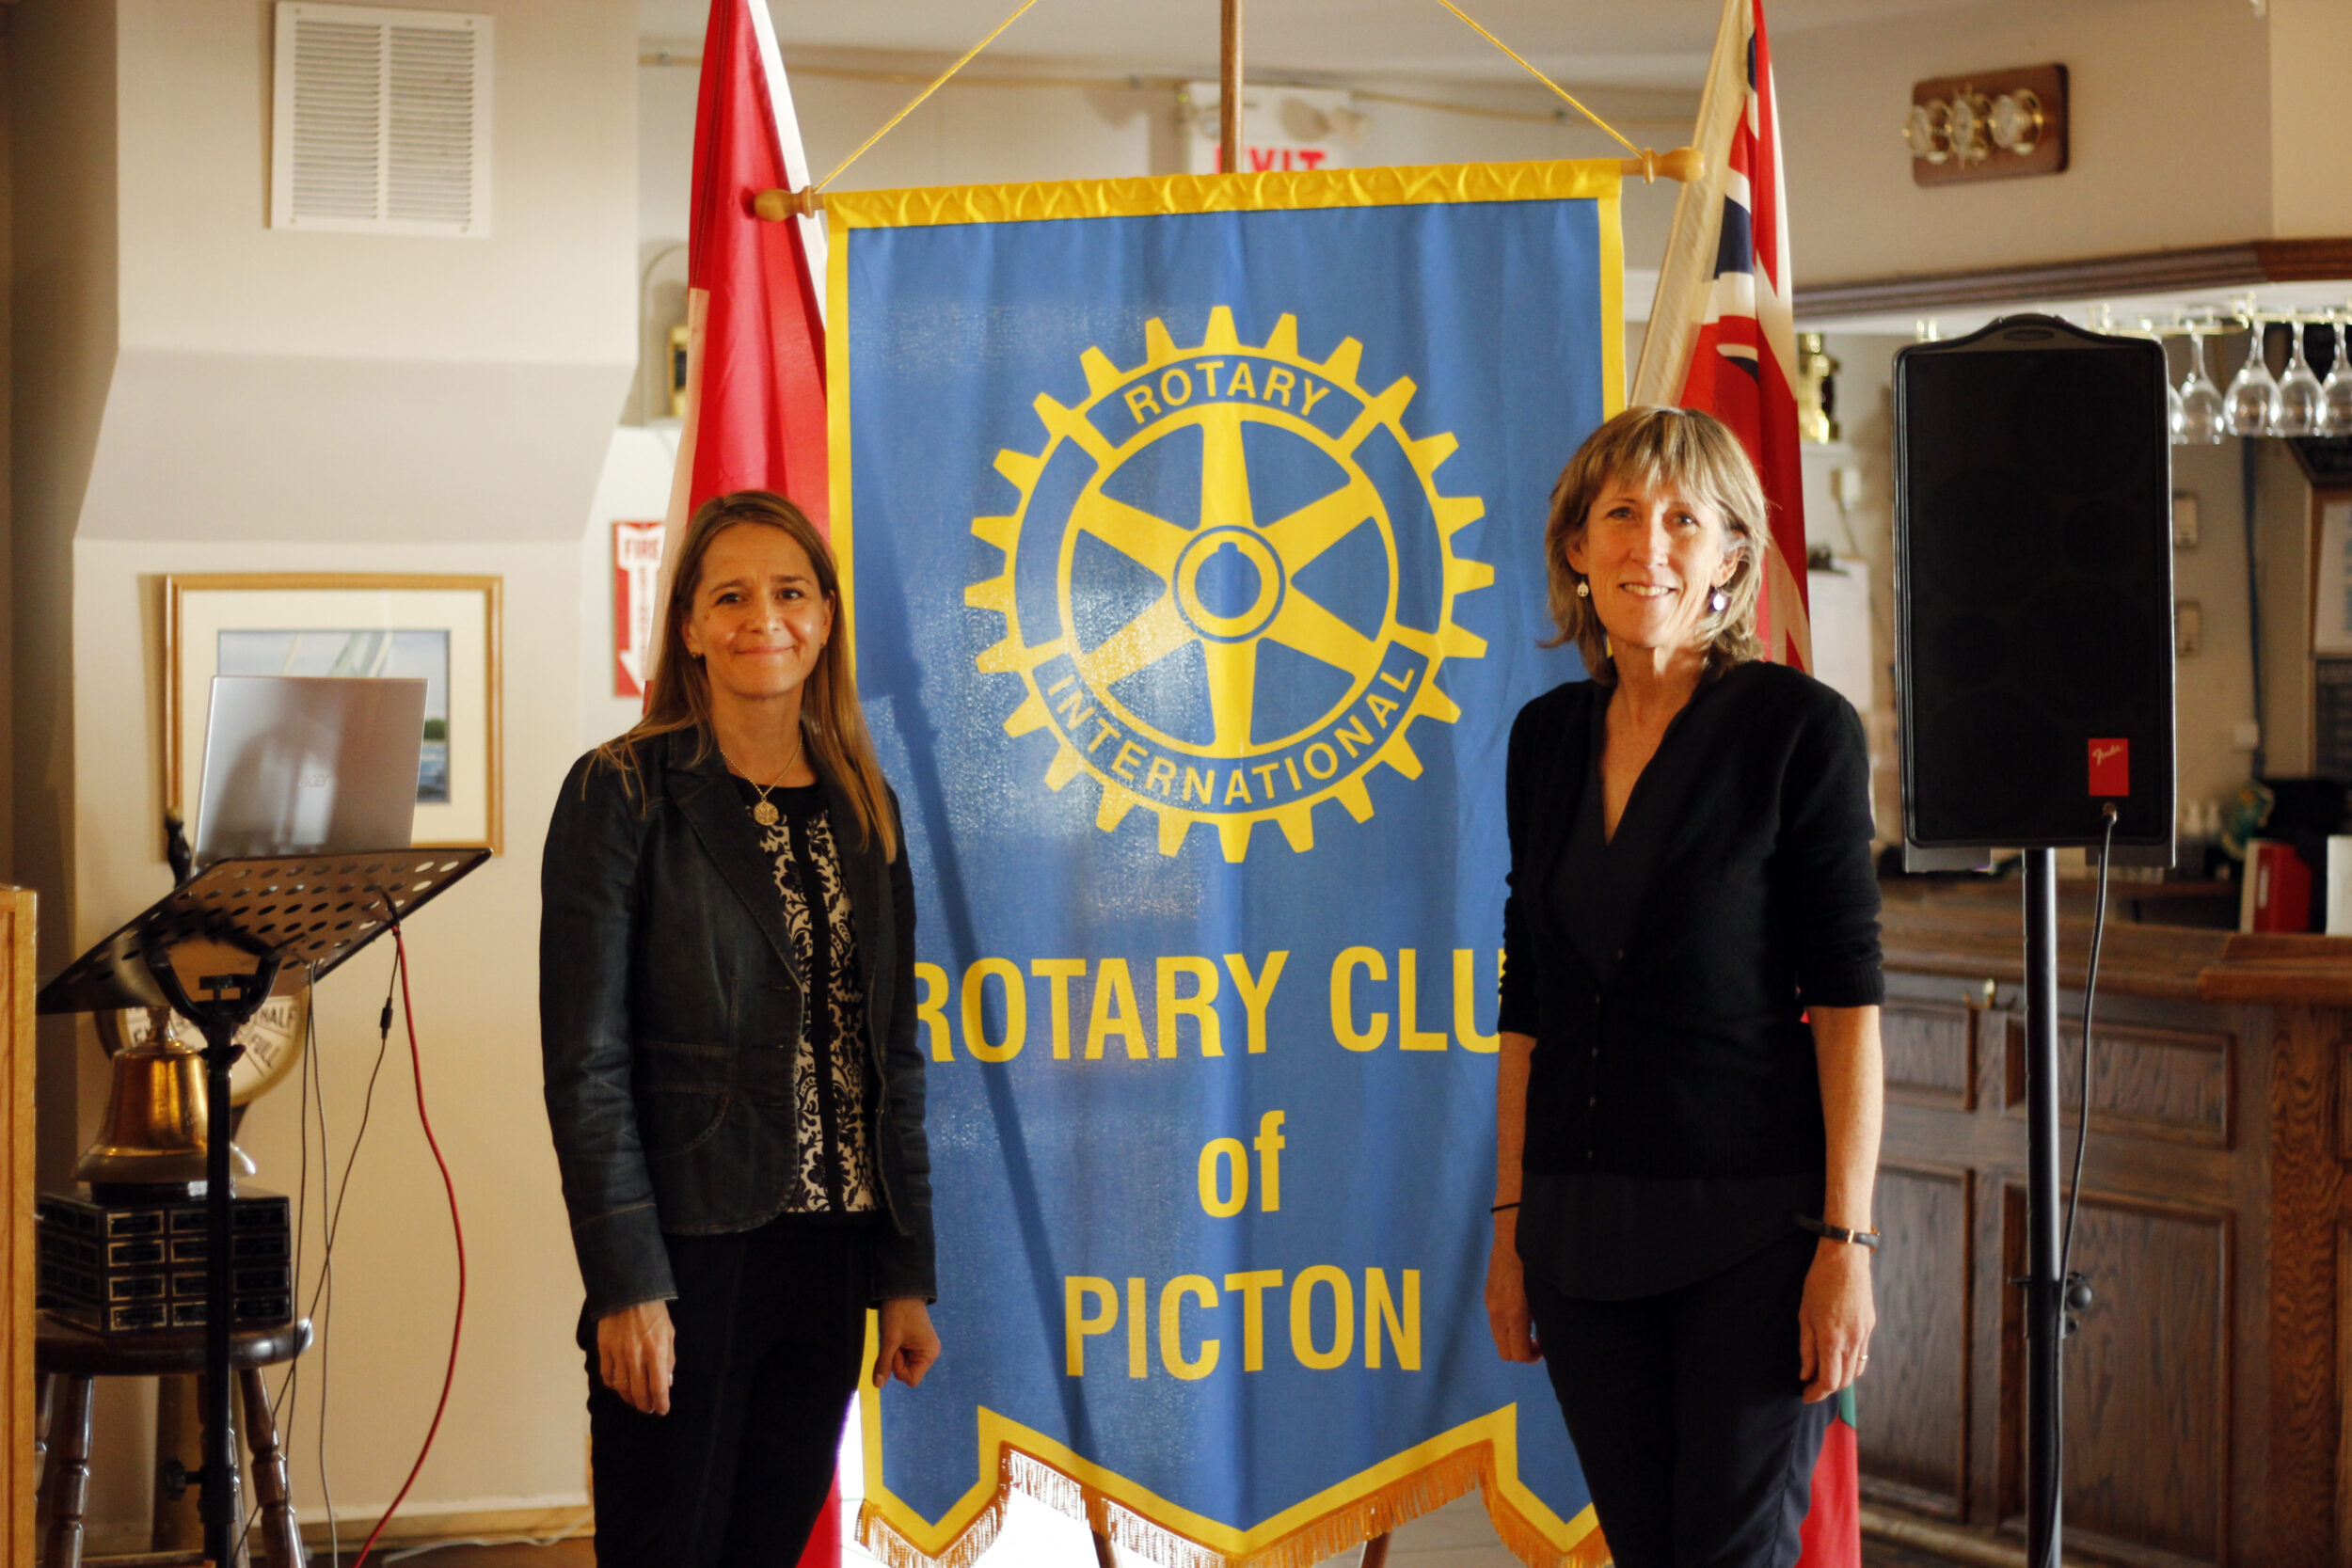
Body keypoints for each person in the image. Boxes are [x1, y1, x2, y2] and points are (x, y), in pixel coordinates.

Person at [1484, 406, 1884, 1568]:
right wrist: (1510, 1228)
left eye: (1681, 519)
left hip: (1754, 1242)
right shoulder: (1545, 738)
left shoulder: (1798, 731)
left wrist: (1845, 1242)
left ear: (1728, 558)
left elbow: (1849, 1004)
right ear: (1575, 547)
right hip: (1578, 1240)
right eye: (1618, 515)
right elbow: (1529, 1000)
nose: (1645, 544)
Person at [541, 490, 941, 1566]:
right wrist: (627, 1281)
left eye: (789, 592)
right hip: (688, 1252)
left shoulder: (868, 801)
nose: (762, 616)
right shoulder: (620, 791)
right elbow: (587, 1067)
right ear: (688, 626)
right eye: (730, 595)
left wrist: (904, 1271)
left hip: (831, 1258)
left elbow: (890, 1055)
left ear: (823, 618)